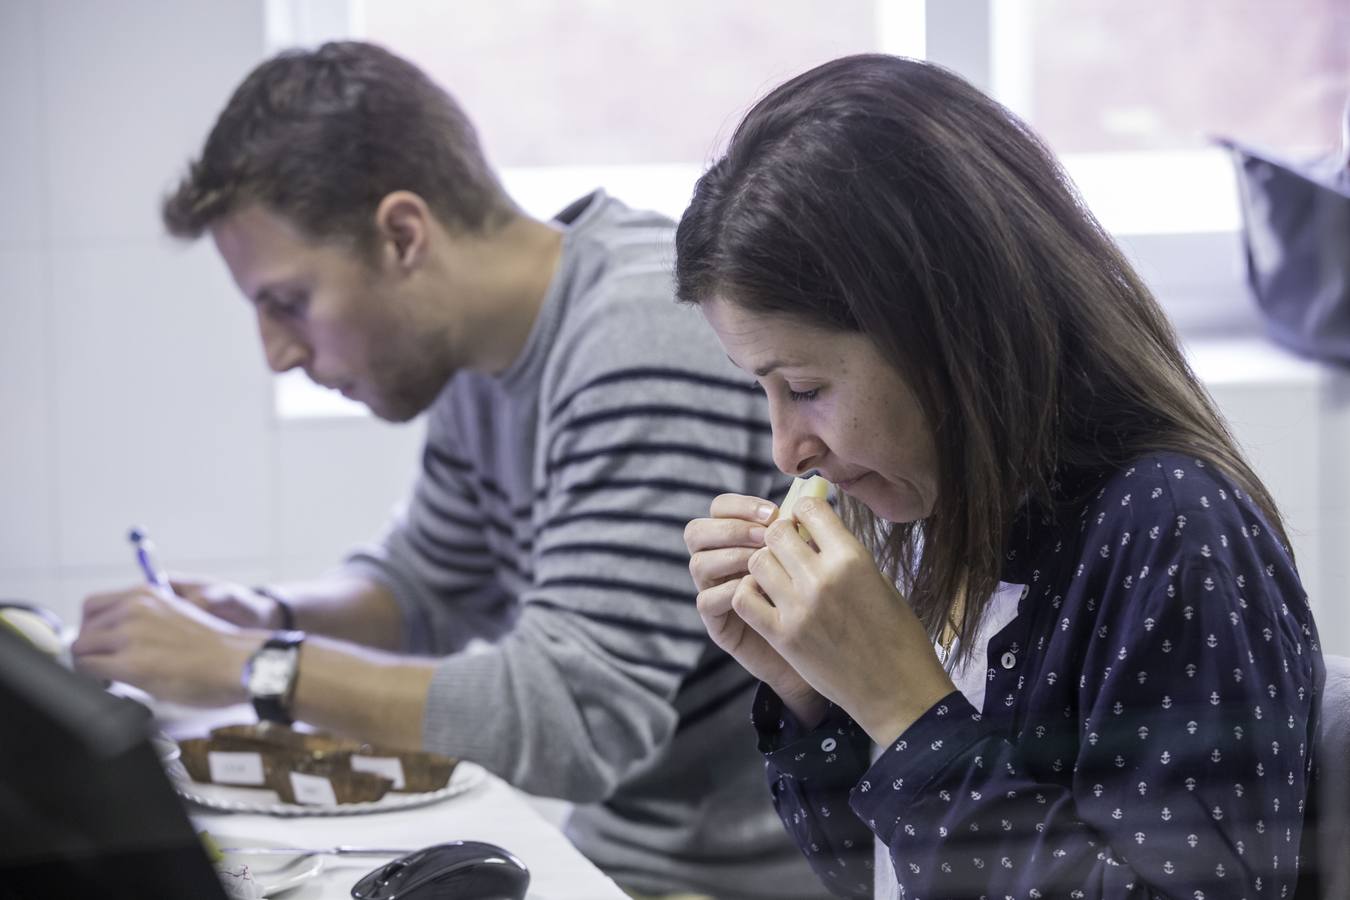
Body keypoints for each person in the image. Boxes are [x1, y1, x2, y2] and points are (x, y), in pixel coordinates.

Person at [71, 40, 826, 900]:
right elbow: (427, 584)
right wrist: (270, 614)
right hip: (625, 852)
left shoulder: (639, 332)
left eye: (289, 303)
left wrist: (252, 665)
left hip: (738, 879)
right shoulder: (482, 353)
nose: (278, 353)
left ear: (402, 235)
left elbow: (574, 717)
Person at [678, 54, 1325, 899]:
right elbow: (876, 874)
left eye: (805, 389)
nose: (787, 450)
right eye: (763, 390)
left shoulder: (1170, 530)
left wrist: (902, 708)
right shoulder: (931, 505)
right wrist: (815, 694)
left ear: (947, 335)